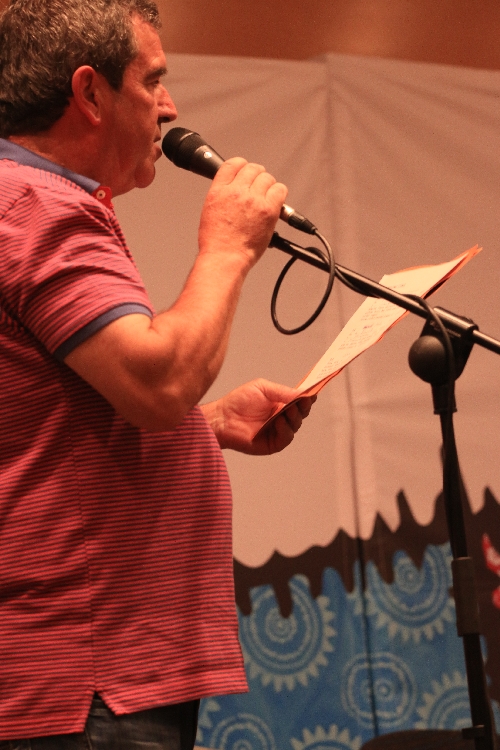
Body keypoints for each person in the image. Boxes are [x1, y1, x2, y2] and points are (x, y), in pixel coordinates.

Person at [0, 0, 316, 746]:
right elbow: (157, 385)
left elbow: (47, 422)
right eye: (153, 80)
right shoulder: (36, 206)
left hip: (89, 670)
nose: (170, 107)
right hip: (85, 676)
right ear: (90, 92)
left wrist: (207, 425)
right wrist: (228, 246)